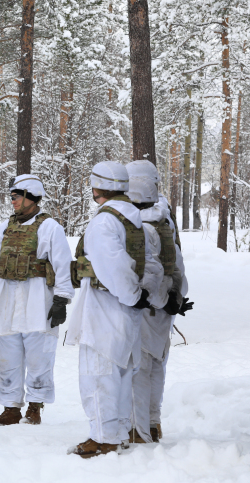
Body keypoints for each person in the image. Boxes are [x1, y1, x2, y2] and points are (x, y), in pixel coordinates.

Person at [66, 161, 163, 458]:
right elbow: (154, 265)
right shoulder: (139, 220)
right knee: (121, 376)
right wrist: (143, 295)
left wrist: (132, 295)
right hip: (128, 315)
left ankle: (103, 439)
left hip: (105, 310)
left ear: (97, 188)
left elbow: (114, 267)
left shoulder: (105, 222)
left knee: (98, 376)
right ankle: (119, 432)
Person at [0, 174, 74, 426]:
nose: (13, 201)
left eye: (17, 196)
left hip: (38, 297)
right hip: (8, 297)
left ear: (31, 196)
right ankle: (10, 408)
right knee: (7, 357)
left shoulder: (50, 227)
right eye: (12, 197)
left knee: (39, 355)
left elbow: (62, 265)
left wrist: (62, 299)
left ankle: (35, 406)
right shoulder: (5, 227)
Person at [128, 160, 192, 442]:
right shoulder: (163, 218)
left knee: (138, 368)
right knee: (155, 365)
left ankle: (138, 429)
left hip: (146, 303)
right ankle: (152, 423)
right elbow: (176, 262)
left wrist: (159, 299)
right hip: (165, 305)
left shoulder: (138, 223)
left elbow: (147, 270)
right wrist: (176, 297)